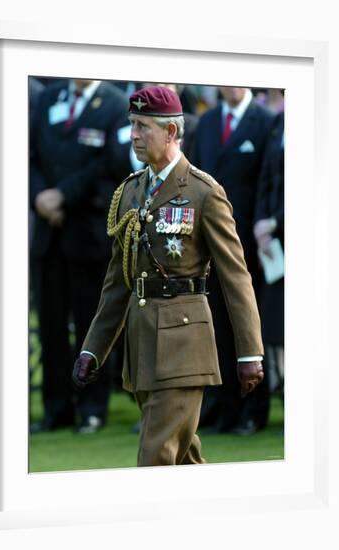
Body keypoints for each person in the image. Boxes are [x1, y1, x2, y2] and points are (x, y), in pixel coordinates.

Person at [72, 85, 264, 466]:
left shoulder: (203, 192)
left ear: (171, 132)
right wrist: (93, 347)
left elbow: (235, 276)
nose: (134, 135)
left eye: (144, 126)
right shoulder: (130, 191)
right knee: (182, 460)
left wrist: (250, 352)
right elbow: (118, 282)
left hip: (184, 348)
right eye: (132, 124)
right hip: (142, 349)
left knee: (155, 458)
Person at [29, 78, 132, 434]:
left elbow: (110, 165)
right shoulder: (47, 98)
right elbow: (29, 155)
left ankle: (91, 407)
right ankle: (56, 409)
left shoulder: (117, 103)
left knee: (92, 326)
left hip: (88, 232)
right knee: (51, 326)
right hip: (48, 231)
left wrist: (63, 195)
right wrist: (40, 196)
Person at [193, 86, 274, 435]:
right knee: (217, 329)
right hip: (208, 245)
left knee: (249, 327)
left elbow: (267, 182)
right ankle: (225, 410)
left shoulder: (265, 122)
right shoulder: (208, 122)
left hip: (248, 247)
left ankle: (253, 411)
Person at [254, 110, 285, 400]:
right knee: (276, 327)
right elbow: (266, 178)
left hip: (295, 235)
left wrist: (276, 220)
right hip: (274, 246)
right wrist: (261, 223)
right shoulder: (279, 122)